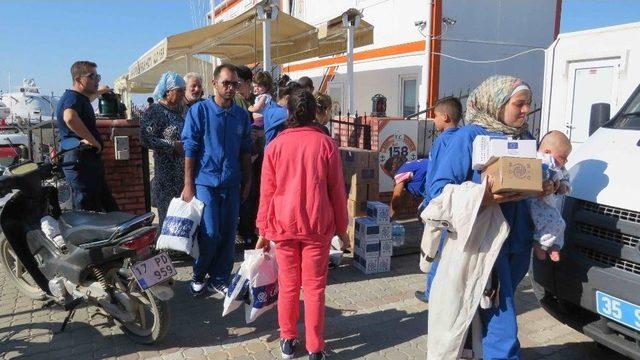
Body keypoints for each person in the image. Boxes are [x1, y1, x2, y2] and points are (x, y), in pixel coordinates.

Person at [424, 75, 556, 359]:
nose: (525, 111)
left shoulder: (525, 139)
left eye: (528, 105)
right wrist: (481, 196)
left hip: (517, 244)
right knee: (502, 330)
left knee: (483, 320)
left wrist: (548, 185)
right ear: (495, 103)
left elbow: (534, 181)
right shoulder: (468, 137)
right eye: (519, 104)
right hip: (484, 248)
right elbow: (437, 194)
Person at [255, 90, 348, 360]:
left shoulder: (275, 146)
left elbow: (267, 193)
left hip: (283, 226)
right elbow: (337, 192)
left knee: (288, 285)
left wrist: (262, 230)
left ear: (289, 113)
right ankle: (315, 348)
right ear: (314, 112)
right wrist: (342, 229)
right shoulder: (326, 144)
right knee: (315, 288)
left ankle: (287, 339)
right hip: (317, 227)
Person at [181, 64, 253, 297]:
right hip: (205, 181)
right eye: (226, 83)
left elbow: (245, 150)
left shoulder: (242, 115)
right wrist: (188, 183)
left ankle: (220, 277)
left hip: (232, 181)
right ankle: (199, 273)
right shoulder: (200, 111)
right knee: (210, 232)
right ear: (214, 84)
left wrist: (248, 181)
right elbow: (190, 148)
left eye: (235, 84)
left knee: (229, 232)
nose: (231, 88)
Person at [415, 95, 463, 303]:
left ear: (444, 116)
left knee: (435, 249)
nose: (433, 120)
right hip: (458, 203)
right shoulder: (464, 139)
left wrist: (427, 201)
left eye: (434, 116)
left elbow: (434, 174)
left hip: (439, 203)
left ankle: (430, 292)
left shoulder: (441, 141)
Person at [56, 60, 118, 212]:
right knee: (90, 215)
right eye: (92, 77)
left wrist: (100, 92)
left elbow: (86, 100)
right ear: (78, 79)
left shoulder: (79, 98)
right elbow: (69, 117)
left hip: (87, 163)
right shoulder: (72, 98)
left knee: (109, 210)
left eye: (98, 77)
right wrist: (93, 141)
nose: (97, 80)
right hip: (81, 163)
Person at [140, 71, 186, 226]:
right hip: (167, 177)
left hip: (184, 175)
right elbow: (146, 139)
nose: (183, 94)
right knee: (168, 218)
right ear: (168, 92)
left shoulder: (182, 111)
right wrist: (172, 145)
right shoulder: (155, 112)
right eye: (180, 90)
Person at [529, 130, 572, 262]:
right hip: (537, 202)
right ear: (547, 152)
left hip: (549, 203)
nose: (565, 161)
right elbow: (544, 173)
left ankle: (554, 246)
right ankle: (540, 244)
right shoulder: (542, 160)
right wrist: (552, 181)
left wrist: (564, 185)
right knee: (554, 224)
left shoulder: (560, 167)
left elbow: (564, 178)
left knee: (560, 224)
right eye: (563, 157)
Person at [263, 81, 303, 147]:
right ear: (287, 98)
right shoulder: (273, 111)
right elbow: (300, 113)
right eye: (297, 100)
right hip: (274, 154)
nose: (299, 103)